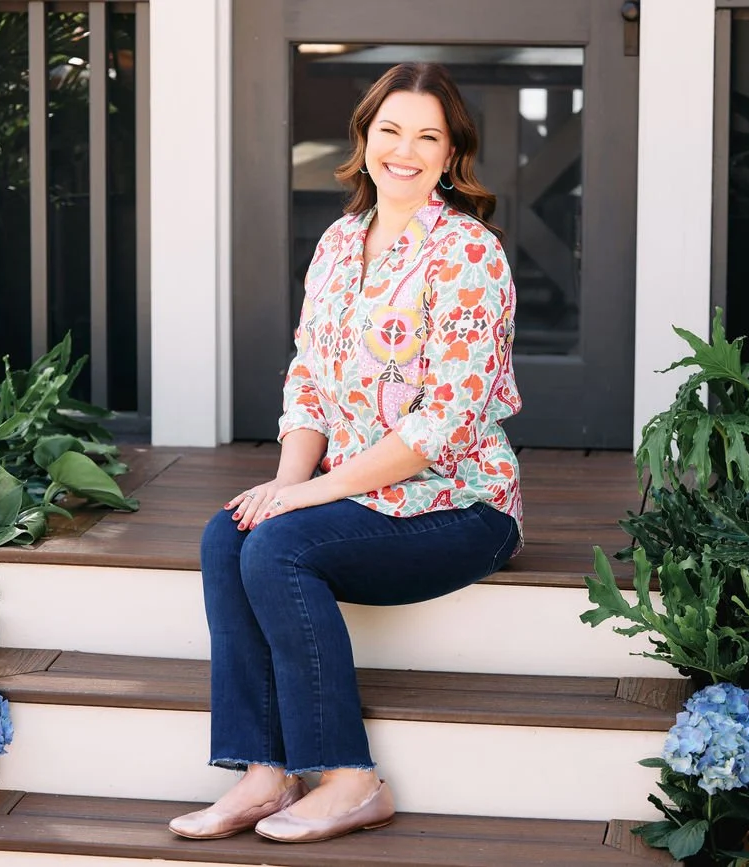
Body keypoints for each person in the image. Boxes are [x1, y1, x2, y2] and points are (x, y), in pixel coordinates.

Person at [168, 61, 523, 845]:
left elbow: (444, 425)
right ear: (363, 139)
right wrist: (286, 483)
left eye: (428, 136)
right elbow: (309, 382)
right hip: (361, 492)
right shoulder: (335, 245)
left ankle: (351, 778)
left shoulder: (469, 253)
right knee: (230, 531)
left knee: (279, 549)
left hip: (459, 504)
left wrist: (306, 501)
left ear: (450, 154)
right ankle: (264, 772)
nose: (405, 149)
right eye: (390, 129)